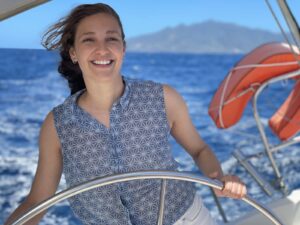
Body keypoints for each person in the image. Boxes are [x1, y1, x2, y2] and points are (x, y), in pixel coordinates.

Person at [4, 3, 246, 225]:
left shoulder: (162, 98)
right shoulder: (57, 125)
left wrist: (218, 178)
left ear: (123, 48)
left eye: (111, 38)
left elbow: (199, 150)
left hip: (186, 219)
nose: (102, 49)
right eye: (89, 40)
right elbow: (37, 200)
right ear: (73, 53)